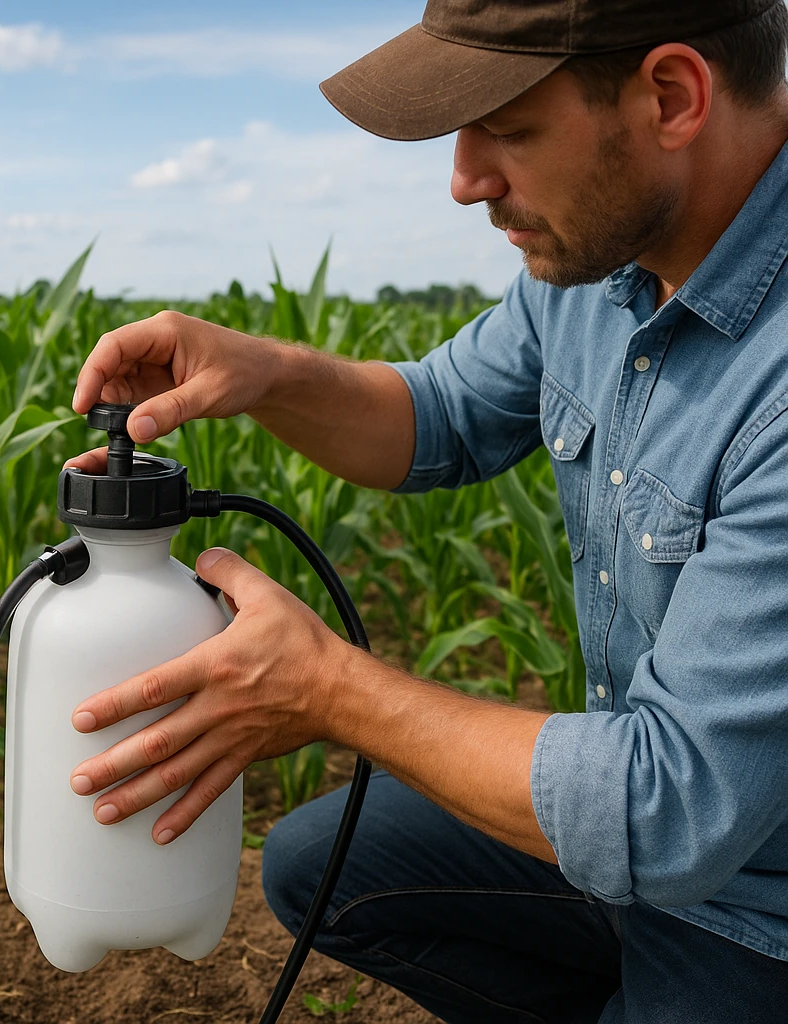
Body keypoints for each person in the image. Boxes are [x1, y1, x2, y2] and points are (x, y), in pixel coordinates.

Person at [64, 1, 788, 1019]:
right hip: (649, 837)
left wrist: (328, 689)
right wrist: (267, 371)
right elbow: (441, 416)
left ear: (671, 98)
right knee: (321, 866)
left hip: (754, 900)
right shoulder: (605, 259)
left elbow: (671, 809)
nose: (465, 180)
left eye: (508, 128)